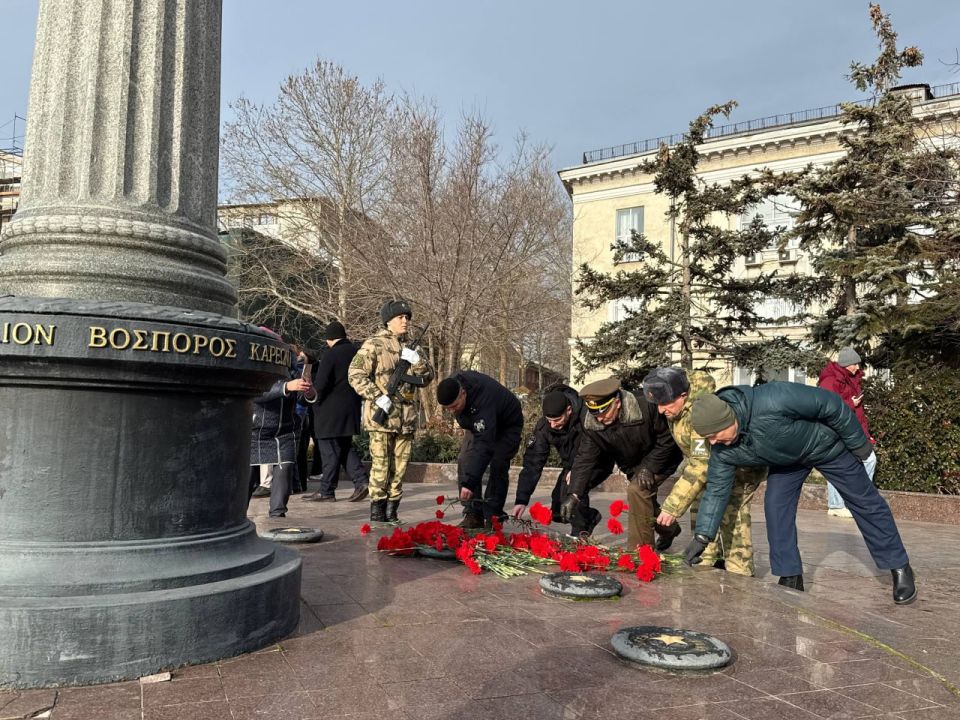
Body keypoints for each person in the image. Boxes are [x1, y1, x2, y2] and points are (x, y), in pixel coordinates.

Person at [683, 382, 916, 604]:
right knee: (775, 507)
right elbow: (716, 490)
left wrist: (858, 444)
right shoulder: (723, 450)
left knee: (864, 501)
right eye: (709, 438)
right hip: (787, 462)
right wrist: (702, 536)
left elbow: (830, 404)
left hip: (826, 447)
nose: (714, 442)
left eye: (715, 434)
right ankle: (790, 575)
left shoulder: (771, 399)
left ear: (728, 418)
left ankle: (899, 566)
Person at [642, 367, 765, 576]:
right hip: (710, 468)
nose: (661, 411)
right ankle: (705, 563)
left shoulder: (699, 413)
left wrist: (672, 507)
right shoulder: (679, 407)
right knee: (701, 512)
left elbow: (701, 465)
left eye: (665, 404)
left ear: (683, 395)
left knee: (732, 518)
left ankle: (740, 576)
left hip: (738, 471)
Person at [561, 377, 682, 546]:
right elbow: (585, 458)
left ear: (617, 402)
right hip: (632, 465)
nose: (600, 419)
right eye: (595, 414)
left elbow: (667, 438)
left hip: (662, 459)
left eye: (604, 412)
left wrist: (649, 467)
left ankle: (639, 553)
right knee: (643, 501)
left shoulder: (646, 406)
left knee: (637, 491)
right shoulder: (592, 422)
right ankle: (670, 529)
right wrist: (574, 494)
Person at [349, 300, 434, 523]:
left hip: (405, 418)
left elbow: (427, 379)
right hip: (382, 418)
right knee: (381, 466)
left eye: (407, 317)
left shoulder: (414, 348)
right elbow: (355, 374)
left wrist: (419, 363)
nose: (405, 321)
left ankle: (392, 511)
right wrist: (378, 397)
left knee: (400, 468)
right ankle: (377, 512)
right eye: (400, 317)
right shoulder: (373, 345)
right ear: (389, 321)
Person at [437, 371, 524, 529]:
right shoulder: (454, 387)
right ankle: (473, 514)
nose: (452, 411)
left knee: (498, 462)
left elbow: (485, 445)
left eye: (454, 406)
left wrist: (469, 483)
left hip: (507, 424)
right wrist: (468, 481)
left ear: (463, 393)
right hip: (478, 422)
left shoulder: (482, 398)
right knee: (465, 458)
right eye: (448, 408)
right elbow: (477, 437)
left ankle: (493, 515)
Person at [302, 321, 369, 503]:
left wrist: (312, 400)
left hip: (330, 413)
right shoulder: (358, 353)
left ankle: (326, 491)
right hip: (352, 410)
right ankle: (362, 482)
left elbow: (321, 384)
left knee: (329, 450)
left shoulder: (331, 354)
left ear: (329, 339)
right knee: (345, 448)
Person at [249, 341, 317, 518]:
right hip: (258, 430)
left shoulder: (295, 371)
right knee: (248, 476)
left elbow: (303, 401)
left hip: (287, 429)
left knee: (284, 470)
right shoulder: (258, 369)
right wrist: (286, 387)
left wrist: (308, 392)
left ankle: (278, 514)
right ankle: (237, 514)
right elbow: (257, 393)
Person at [511, 385, 585, 522]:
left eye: (557, 420)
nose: (552, 425)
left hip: (594, 459)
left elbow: (594, 449)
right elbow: (533, 462)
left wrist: (578, 468)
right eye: (549, 420)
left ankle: (581, 533)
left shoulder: (585, 418)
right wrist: (521, 499)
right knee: (559, 508)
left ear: (568, 410)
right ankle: (585, 519)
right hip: (571, 464)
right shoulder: (544, 427)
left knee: (574, 493)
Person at [819, 347, 876, 518]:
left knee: (868, 460)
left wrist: (866, 434)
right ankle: (837, 504)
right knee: (839, 464)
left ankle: (855, 500)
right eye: (855, 364)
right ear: (846, 364)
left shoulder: (852, 379)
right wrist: (851, 404)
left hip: (852, 429)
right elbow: (827, 408)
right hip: (837, 430)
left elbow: (859, 414)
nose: (858, 368)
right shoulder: (830, 381)